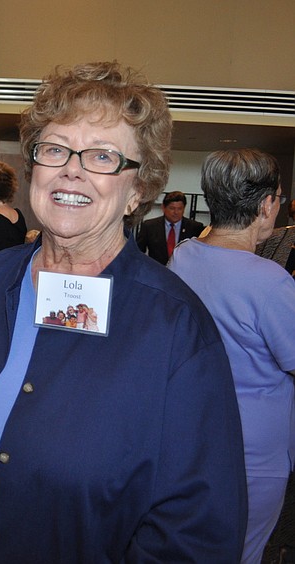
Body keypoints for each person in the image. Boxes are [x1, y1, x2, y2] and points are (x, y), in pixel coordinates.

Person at [0, 61, 247, 563]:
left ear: (137, 190)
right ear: (34, 169)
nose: (72, 168)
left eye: (102, 156)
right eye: (55, 149)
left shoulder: (175, 326)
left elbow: (196, 532)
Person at [169, 148, 295, 564]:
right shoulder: (270, 283)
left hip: (189, 440)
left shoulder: (184, 256)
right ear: (266, 205)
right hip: (251, 455)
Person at [136, 190, 205, 264]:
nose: (176, 212)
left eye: (179, 209)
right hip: (157, 271)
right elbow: (138, 252)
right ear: (163, 208)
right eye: (172, 208)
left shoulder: (195, 227)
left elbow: (200, 254)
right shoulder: (149, 226)